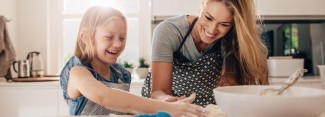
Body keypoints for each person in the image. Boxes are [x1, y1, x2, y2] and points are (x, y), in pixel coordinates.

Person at [59, 6, 205, 116]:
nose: (117, 44)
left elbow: (128, 109)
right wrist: (168, 108)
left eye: (122, 38)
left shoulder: (121, 75)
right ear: (86, 38)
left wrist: (161, 104)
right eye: (109, 37)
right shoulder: (77, 72)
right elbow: (106, 96)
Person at [141, 0, 269, 107]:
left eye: (224, 24)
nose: (212, 30)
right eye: (208, 18)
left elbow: (229, 89)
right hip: (165, 107)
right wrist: (170, 103)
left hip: (207, 109)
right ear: (202, 5)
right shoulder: (169, 31)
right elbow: (159, 92)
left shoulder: (232, 40)